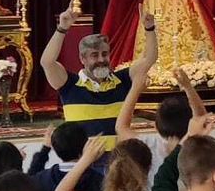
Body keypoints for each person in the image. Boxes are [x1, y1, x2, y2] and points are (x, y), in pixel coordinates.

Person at [40, 8, 158, 147]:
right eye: (94, 55)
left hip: (119, 157)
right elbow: (47, 62)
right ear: (82, 59)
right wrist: (62, 28)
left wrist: (149, 28)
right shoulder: (69, 84)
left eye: (105, 54)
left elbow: (148, 59)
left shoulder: (123, 80)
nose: (101, 59)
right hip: (84, 158)